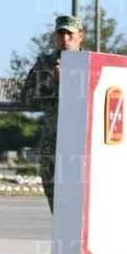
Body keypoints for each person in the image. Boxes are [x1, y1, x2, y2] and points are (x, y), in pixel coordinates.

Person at [19, 15, 84, 211]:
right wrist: (52, 84)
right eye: (60, 33)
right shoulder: (45, 63)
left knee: (82, 201)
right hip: (53, 141)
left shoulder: (90, 64)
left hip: (82, 142)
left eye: (69, 34)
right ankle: (62, 236)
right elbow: (26, 98)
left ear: (80, 36)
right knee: (54, 195)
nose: (65, 39)